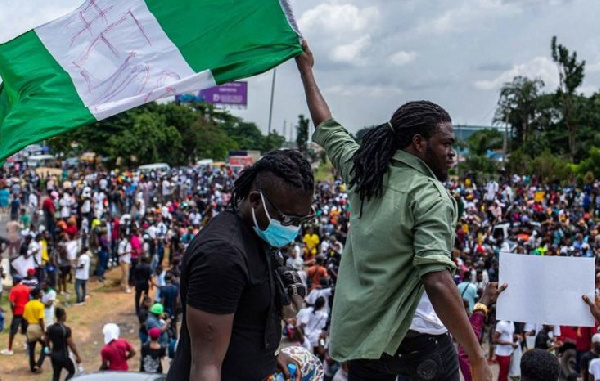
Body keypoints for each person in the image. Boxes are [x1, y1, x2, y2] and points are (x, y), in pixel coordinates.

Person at [296, 41, 491, 380]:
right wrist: (476, 357)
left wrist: (306, 70)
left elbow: (325, 125)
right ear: (418, 143)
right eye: (446, 143)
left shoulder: (362, 171)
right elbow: (437, 280)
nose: (452, 154)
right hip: (421, 346)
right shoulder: (430, 195)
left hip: (364, 343)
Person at [168, 150, 314, 381]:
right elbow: (206, 366)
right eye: (289, 220)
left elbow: (247, 319)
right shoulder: (222, 256)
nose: (294, 228)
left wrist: (269, 357)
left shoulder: (258, 235)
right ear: (256, 201)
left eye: (302, 220)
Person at [46, 307, 82, 381]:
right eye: (65, 314)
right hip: (63, 355)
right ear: (62, 316)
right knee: (72, 371)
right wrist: (77, 356)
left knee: (56, 374)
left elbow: (46, 339)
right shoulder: (66, 329)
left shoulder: (50, 328)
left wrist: (48, 349)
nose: (66, 316)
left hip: (54, 355)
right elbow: (71, 345)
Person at [1, 275, 30, 355]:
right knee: (26, 330)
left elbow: (12, 302)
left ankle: (10, 349)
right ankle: (28, 346)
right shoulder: (27, 288)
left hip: (17, 312)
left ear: (14, 281)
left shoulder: (14, 289)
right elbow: (29, 299)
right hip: (26, 312)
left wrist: (13, 310)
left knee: (12, 331)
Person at [23, 288, 47, 373]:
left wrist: (27, 330)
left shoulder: (27, 305)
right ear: (37, 295)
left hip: (30, 327)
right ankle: (39, 364)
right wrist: (44, 331)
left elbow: (25, 319)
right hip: (38, 327)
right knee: (45, 347)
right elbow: (41, 320)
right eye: (40, 293)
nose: (41, 294)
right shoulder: (40, 305)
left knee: (31, 349)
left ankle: (32, 367)